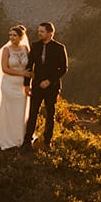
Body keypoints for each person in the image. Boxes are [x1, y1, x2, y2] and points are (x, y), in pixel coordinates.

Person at [24, 21, 69, 150]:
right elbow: (29, 66)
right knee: (33, 113)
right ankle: (27, 141)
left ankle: (47, 142)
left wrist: (49, 81)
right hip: (37, 85)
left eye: (42, 31)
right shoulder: (35, 46)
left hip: (52, 87)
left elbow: (64, 68)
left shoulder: (59, 48)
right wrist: (27, 84)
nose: (39, 33)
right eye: (38, 31)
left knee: (50, 114)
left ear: (50, 33)